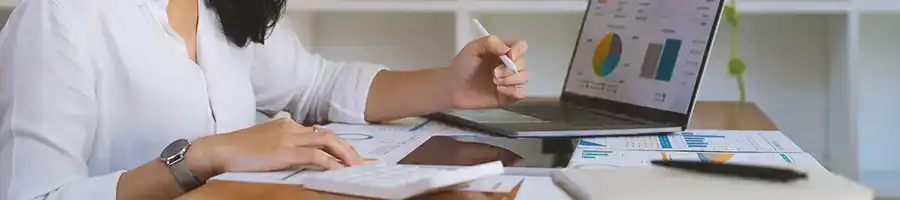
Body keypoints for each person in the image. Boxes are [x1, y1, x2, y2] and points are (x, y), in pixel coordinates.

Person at [0, 0, 529, 199]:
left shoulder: (224, 9)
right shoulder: (59, 18)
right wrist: (207, 155)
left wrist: (451, 86)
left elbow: (317, 86)